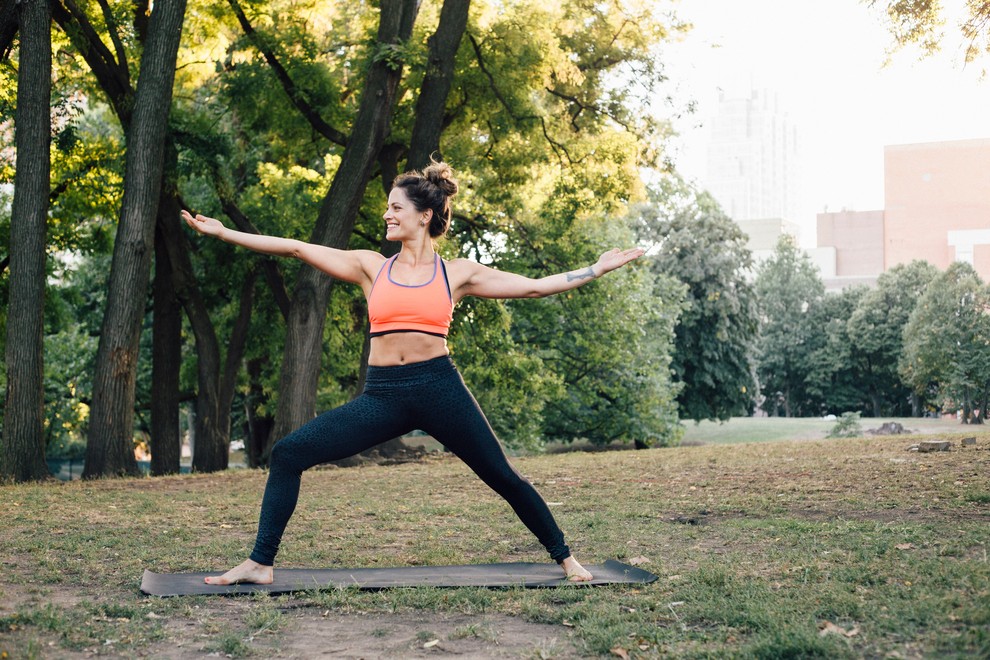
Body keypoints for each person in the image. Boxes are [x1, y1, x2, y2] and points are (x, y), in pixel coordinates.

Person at [180, 159, 644, 585]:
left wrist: (595, 269)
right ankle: (260, 562)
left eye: (395, 208)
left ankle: (567, 559)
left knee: (503, 476)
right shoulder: (370, 266)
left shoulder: (458, 273)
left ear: (424, 215)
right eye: (387, 208)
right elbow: (297, 248)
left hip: (439, 388)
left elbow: (536, 289)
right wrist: (225, 234)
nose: (387, 215)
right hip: (382, 396)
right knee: (287, 454)